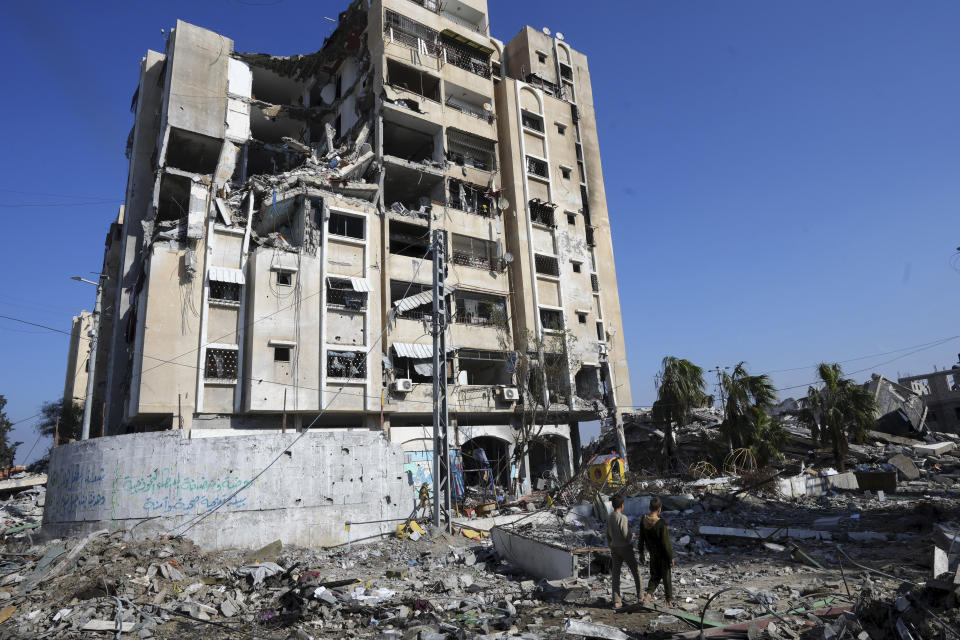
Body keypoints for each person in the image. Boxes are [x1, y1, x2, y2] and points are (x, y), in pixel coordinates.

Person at [605, 494, 642, 609]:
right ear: (622, 505)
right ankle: (640, 597)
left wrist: (611, 544)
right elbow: (626, 535)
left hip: (614, 547)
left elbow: (607, 534)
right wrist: (633, 536)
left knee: (616, 574)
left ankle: (616, 601)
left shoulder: (610, 517)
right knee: (636, 571)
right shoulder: (623, 518)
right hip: (625, 547)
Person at [638, 496, 676, 607]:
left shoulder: (643, 520)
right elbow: (666, 543)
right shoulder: (661, 524)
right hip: (663, 556)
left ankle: (648, 597)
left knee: (655, 576)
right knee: (666, 577)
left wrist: (641, 552)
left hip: (652, 554)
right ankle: (669, 601)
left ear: (650, 508)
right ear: (660, 509)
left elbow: (641, 538)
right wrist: (671, 557)